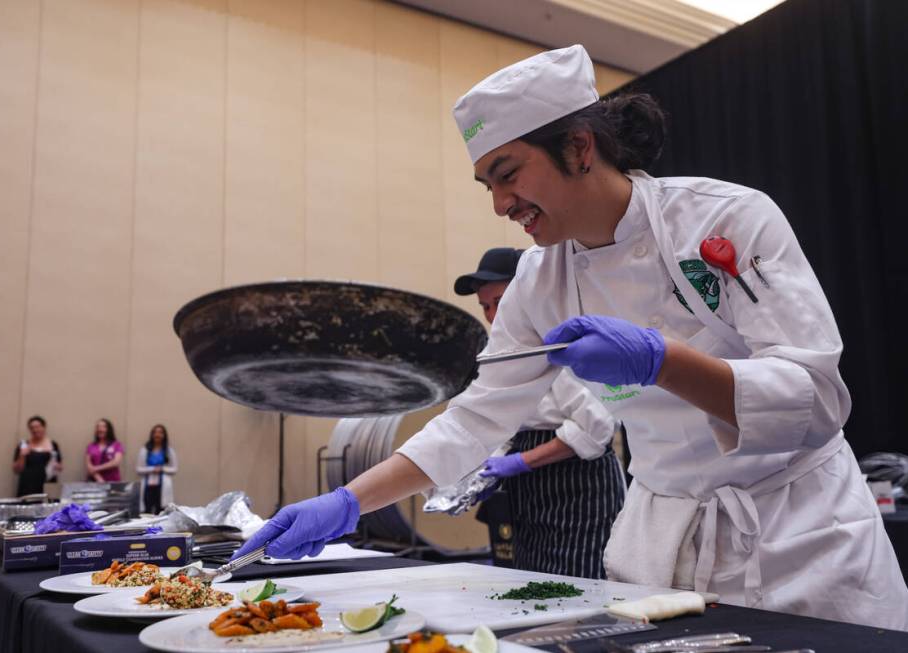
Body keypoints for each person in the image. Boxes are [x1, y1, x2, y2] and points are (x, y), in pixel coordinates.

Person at [233, 45, 908, 629]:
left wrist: (662, 360)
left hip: (799, 536)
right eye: (486, 183)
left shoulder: (725, 219)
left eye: (508, 172)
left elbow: (818, 401)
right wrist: (351, 500)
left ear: (579, 147)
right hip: (668, 544)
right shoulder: (540, 279)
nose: (499, 204)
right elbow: (474, 419)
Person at [456, 247, 624, 577]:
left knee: (581, 595)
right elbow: (498, 417)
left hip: (580, 491)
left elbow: (595, 429)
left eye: (500, 301)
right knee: (533, 586)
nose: (492, 316)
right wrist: (492, 462)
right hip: (530, 496)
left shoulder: (561, 343)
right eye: (485, 306)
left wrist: (519, 462)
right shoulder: (502, 354)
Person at [13, 415, 62, 496]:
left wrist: (57, 467)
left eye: (37, 427)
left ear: (44, 427)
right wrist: (22, 456)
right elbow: (16, 470)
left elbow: (59, 466)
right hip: (28, 486)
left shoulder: (53, 445)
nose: (35, 430)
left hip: (47, 484)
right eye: (32, 428)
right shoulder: (24, 445)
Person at [135, 424, 178, 514]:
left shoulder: (168, 451)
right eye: (155, 432)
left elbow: (174, 469)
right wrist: (152, 469)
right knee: (147, 512)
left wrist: (162, 469)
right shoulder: (145, 450)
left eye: (160, 433)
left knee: (161, 511)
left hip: (162, 486)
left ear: (164, 435)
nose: (157, 435)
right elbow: (138, 469)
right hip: (148, 486)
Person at [85, 418, 124, 483]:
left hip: (113, 482)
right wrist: (99, 479)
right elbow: (89, 465)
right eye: (98, 427)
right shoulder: (91, 446)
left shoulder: (117, 445)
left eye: (103, 427)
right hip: (96, 483)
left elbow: (116, 462)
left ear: (109, 430)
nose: (100, 429)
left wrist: (96, 468)